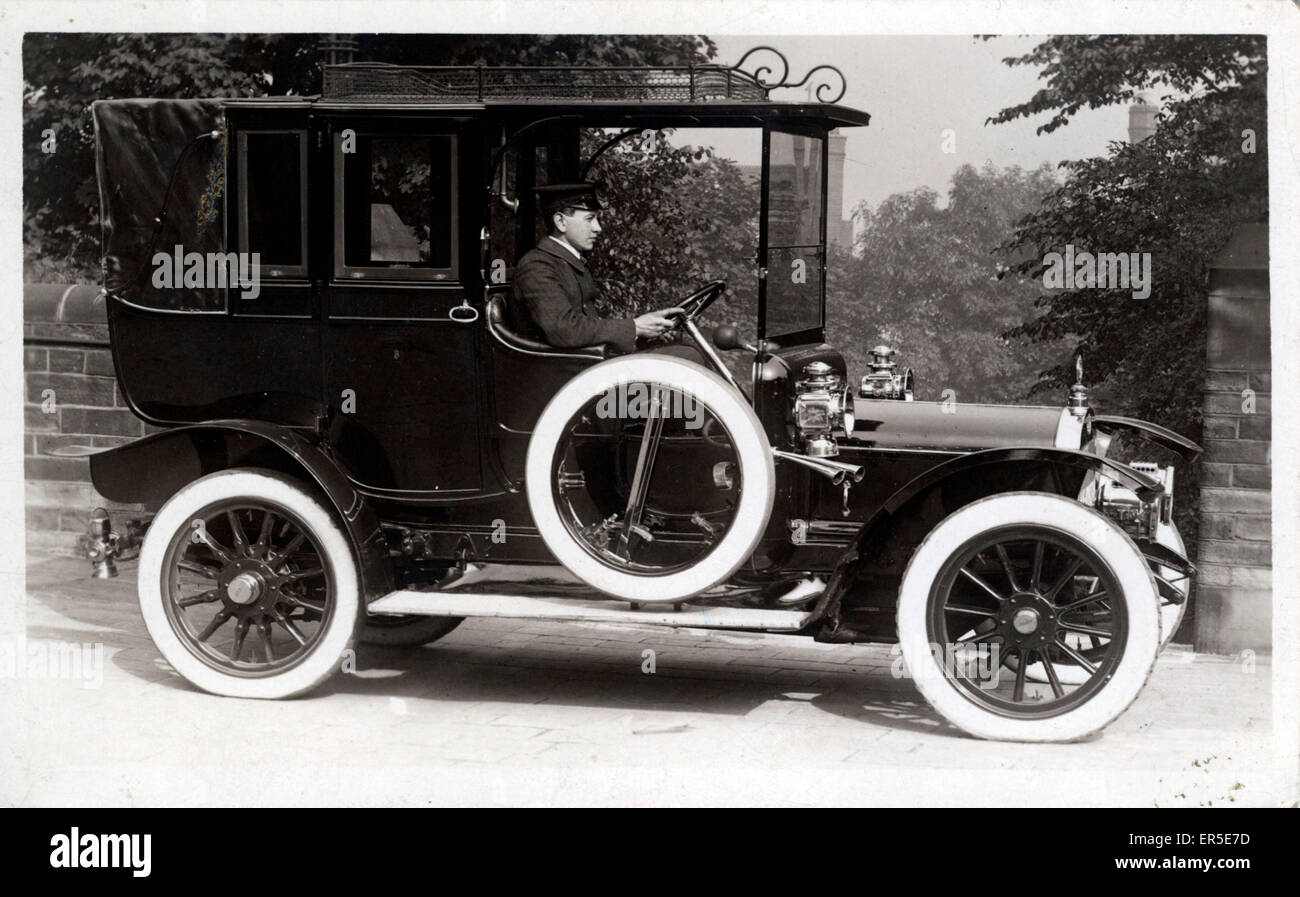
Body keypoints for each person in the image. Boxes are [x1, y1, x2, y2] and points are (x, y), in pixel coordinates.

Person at [509, 183, 685, 355]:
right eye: (589, 219)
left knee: (685, 352)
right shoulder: (537, 266)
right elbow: (564, 330)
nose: (598, 228)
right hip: (560, 373)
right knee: (689, 356)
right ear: (561, 222)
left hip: (580, 366)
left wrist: (647, 328)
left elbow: (587, 326)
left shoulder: (567, 262)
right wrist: (635, 327)